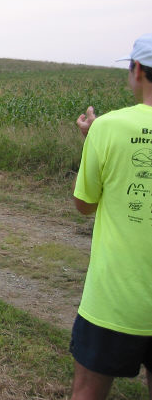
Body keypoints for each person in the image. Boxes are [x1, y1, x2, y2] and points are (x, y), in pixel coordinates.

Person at [70, 33, 152, 400]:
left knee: (88, 390)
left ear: (137, 69)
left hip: (116, 300)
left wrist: (94, 138)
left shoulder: (108, 127)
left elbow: (85, 204)